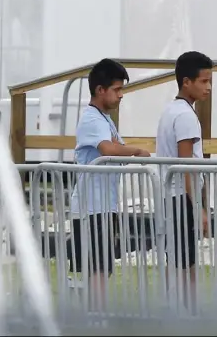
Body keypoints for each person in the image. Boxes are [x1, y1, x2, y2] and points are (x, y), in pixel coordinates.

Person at [73, 58, 151, 312]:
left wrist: (125, 151)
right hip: (92, 206)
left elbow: (115, 149)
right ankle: (96, 317)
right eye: (117, 89)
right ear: (100, 90)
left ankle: (97, 314)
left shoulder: (104, 119)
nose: (121, 95)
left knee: (102, 267)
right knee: (97, 267)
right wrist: (136, 151)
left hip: (104, 205)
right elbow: (108, 149)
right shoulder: (92, 119)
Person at [154, 50, 213, 297]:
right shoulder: (186, 116)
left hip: (171, 195)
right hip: (181, 196)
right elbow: (185, 163)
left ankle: (179, 306)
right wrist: (198, 206)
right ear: (186, 82)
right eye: (204, 81)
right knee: (184, 261)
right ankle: (187, 310)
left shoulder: (170, 110)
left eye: (210, 81)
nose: (208, 87)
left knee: (178, 257)